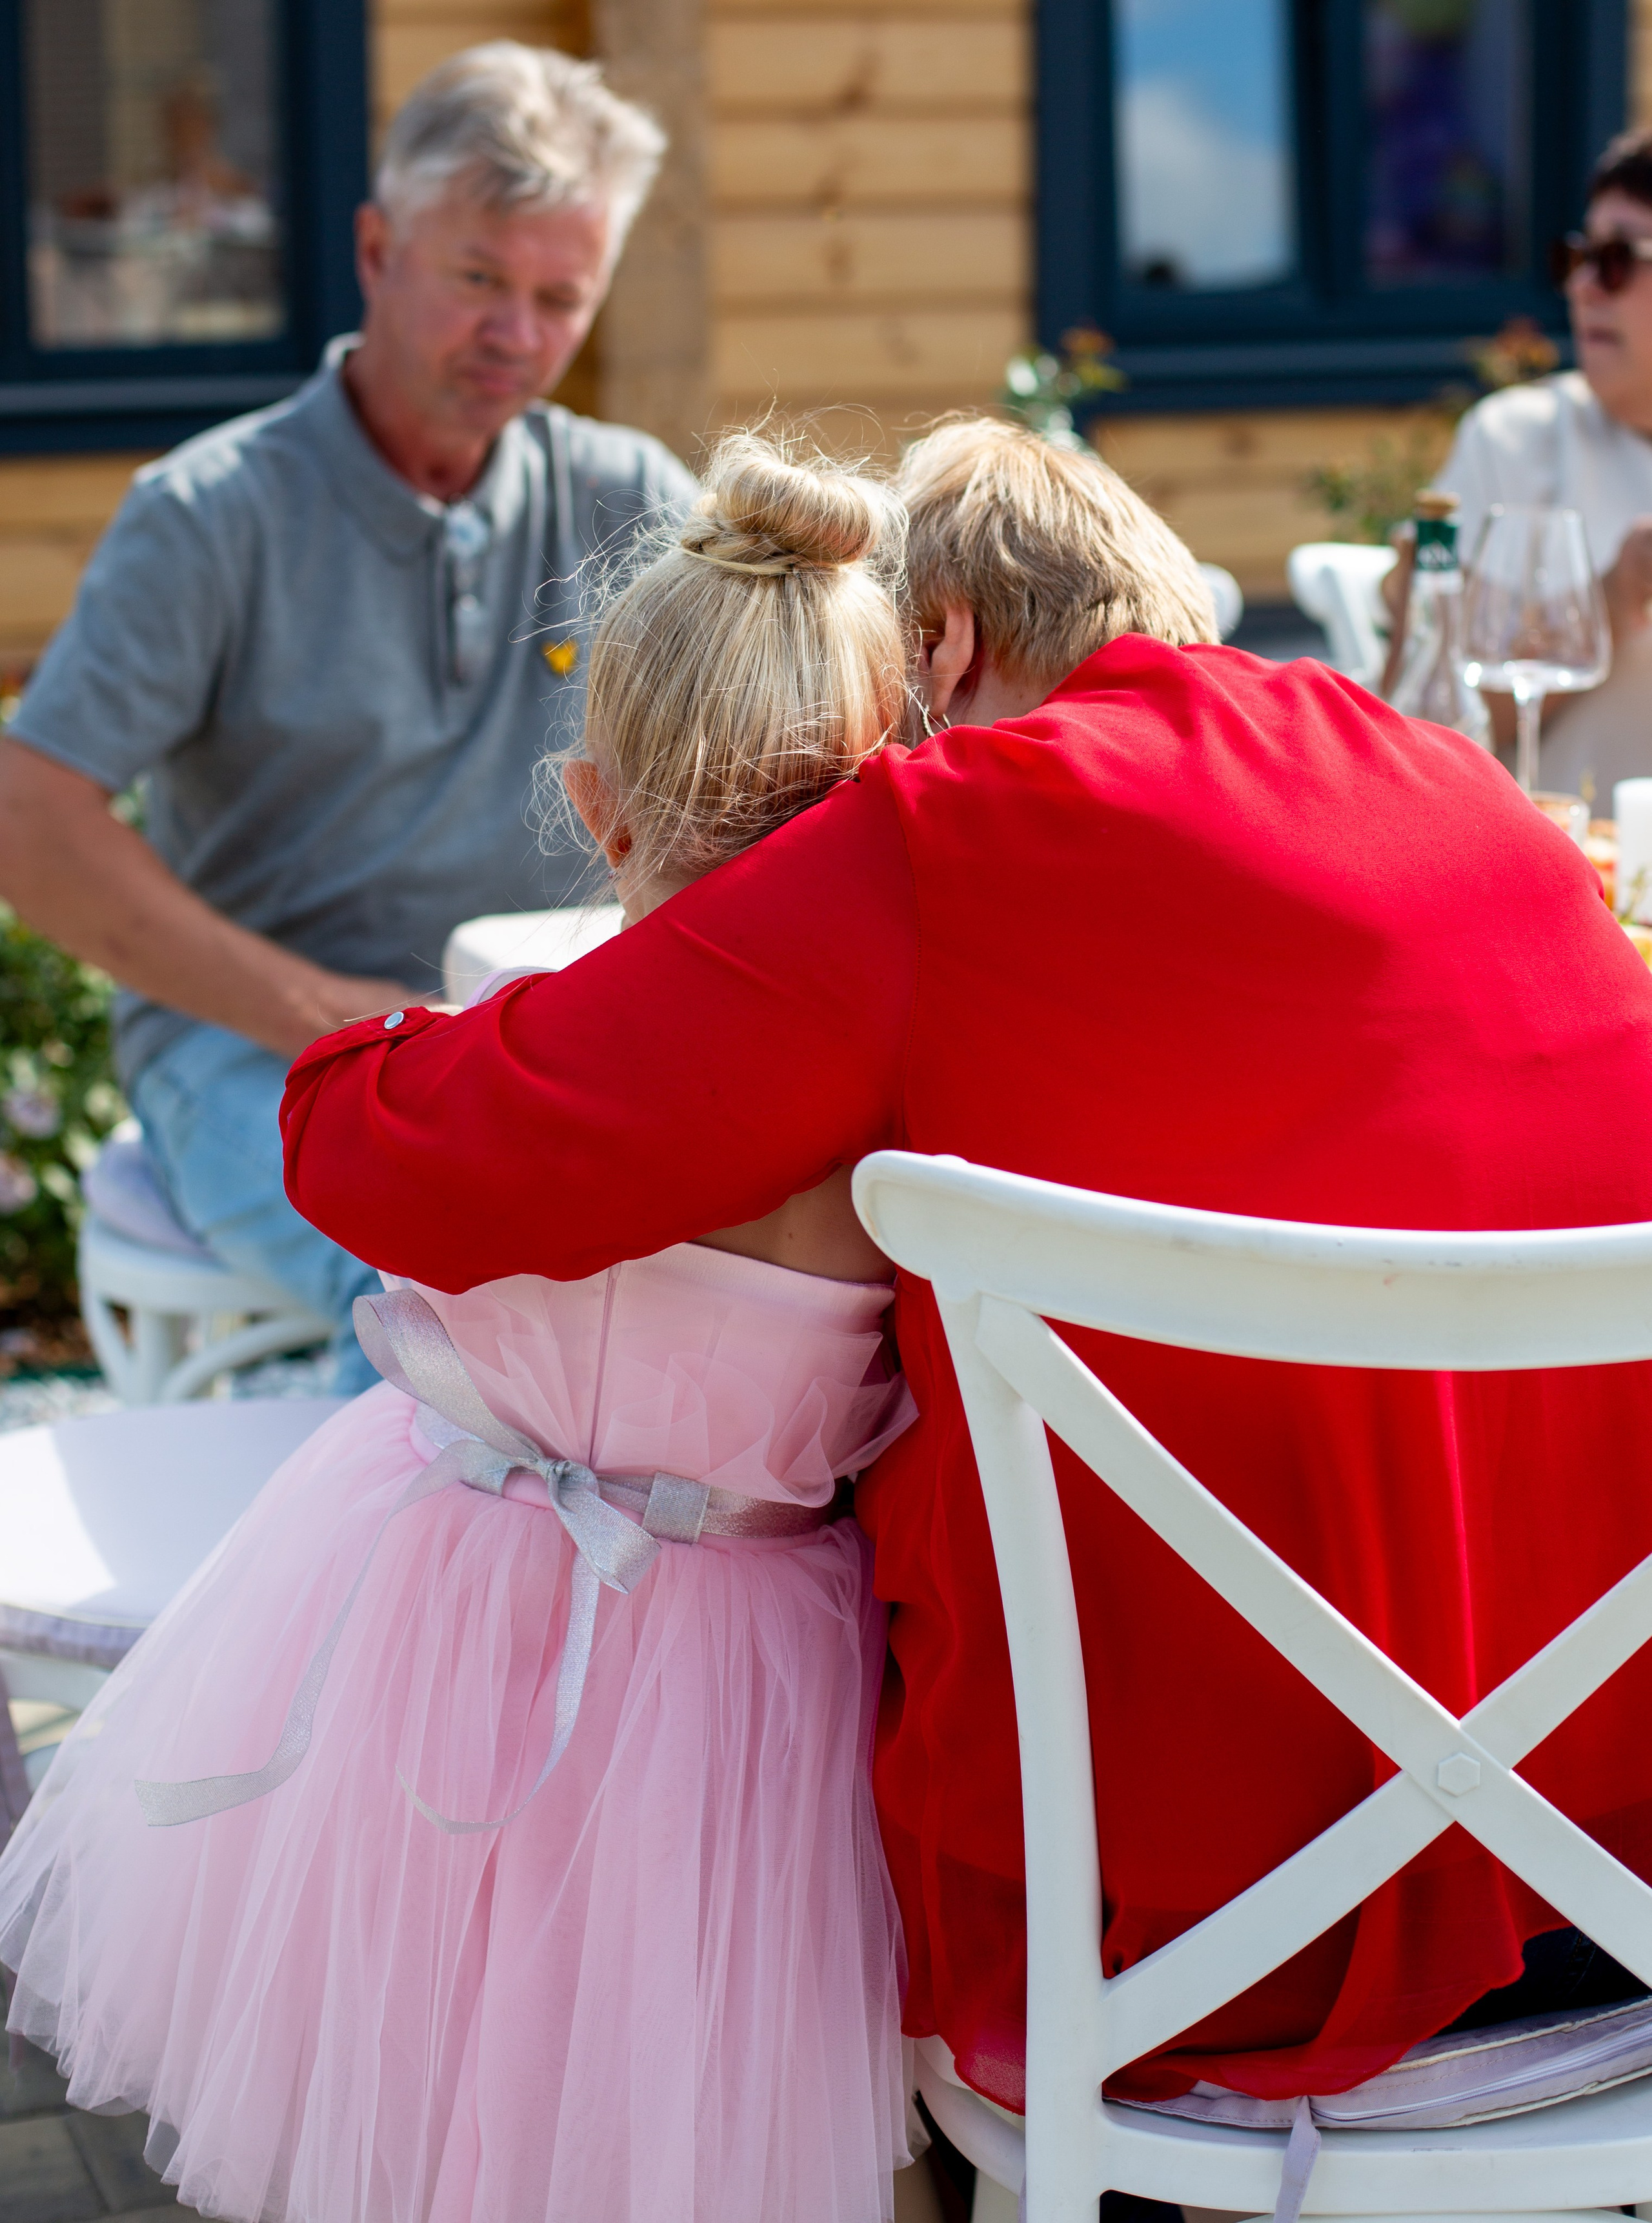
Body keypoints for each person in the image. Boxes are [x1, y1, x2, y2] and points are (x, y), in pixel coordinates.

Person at [279, 414, 1652, 2115]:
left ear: (939, 646)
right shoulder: (1462, 786)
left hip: (1167, 1933)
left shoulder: (951, 833)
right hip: (1599, 1875)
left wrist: (353, 1053)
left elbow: (429, 1157)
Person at [0, 437, 921, 2223]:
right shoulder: (910, 1096)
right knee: (670, 2101)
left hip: (432, 1593)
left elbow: (363, 1141)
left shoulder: (519, 1036)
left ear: (596, 803)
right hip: (734, 1668)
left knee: (410, 2077)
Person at [0, 42, 698, 1391]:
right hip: (252, 1053)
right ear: (377, 250)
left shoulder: (634, 499)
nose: (517, 336)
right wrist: (326, 1015)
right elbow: (28, 818)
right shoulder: (209, 514)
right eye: (479, 279)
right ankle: (322, 1611)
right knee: (436, 1314)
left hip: (526, 1052)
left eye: (562, 297)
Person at [1436, 125, 1652, 802]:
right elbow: (1437, 726)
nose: (1584, 286)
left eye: (1617, 260)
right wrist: (1618, 595)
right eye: (1578, 256)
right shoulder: (1514, 441)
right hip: (1585, 882)